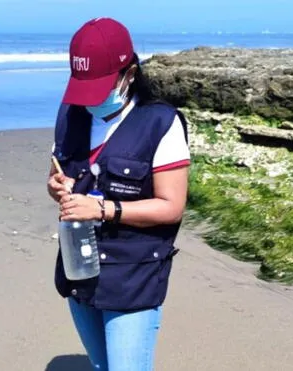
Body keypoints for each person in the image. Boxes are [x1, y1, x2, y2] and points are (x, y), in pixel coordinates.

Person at [46, 17, 190, 371]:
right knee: (101, 365)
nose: (92, 101)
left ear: (130, 73)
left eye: (99, 87)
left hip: (133, 275)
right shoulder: (72, 115)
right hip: (79, 267)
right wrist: (55, 187)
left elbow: (171, 207)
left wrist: (103, 209)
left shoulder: (160, 123)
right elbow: (58, 173)